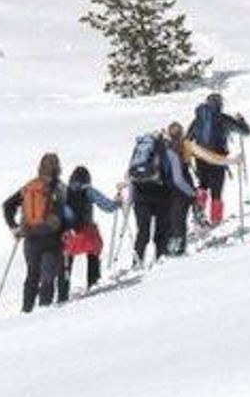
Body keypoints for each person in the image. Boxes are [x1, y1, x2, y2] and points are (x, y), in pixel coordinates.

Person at [1, 152, 68, 314]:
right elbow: (69, 213)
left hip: (30, 237)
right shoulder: (60, 188)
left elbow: (7, 205)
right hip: (52, 239)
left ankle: (26, 310)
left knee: (32, 275)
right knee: (48, 277)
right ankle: (43, 313)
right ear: (58, 168)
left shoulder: (29, 187)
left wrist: (14, 227)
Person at [187, 92, 250, 228]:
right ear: (220, 104)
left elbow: (188, 138)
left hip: (200, 157)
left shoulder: (198, 119)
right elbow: (246, 132)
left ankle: (199, 209)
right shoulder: (223, 118)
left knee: (203, 184)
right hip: (218, 157)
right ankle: (215, 220)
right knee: (216, 190)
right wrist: (241, 121)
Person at [58, 164, 121, 300]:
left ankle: (62, 294)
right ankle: (93, 284)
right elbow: (108, 206)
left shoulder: (64, 191)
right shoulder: (88, 190)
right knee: (94, 252)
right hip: (87, 235)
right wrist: (117, 203)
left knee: (66, 261)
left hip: (69, 237)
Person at [123, 131, 170, 269]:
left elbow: (130, 175)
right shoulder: (163, 150)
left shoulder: (138, 151)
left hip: (140, 198)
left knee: (142, 231)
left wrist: (129, 200)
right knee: (160, 231)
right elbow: (168, 172)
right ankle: (161, 257)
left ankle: (137, 261)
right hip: (160, 196)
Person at [161, 121, 196, 257]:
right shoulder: (184, 145)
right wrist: (192, 193)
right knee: (179, 220)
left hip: (164, 190)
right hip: (182, 188)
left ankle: (167, 249)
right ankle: (178, 250)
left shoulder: (163, 147)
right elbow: (180, 176)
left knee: (169, 219)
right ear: (181, 133)